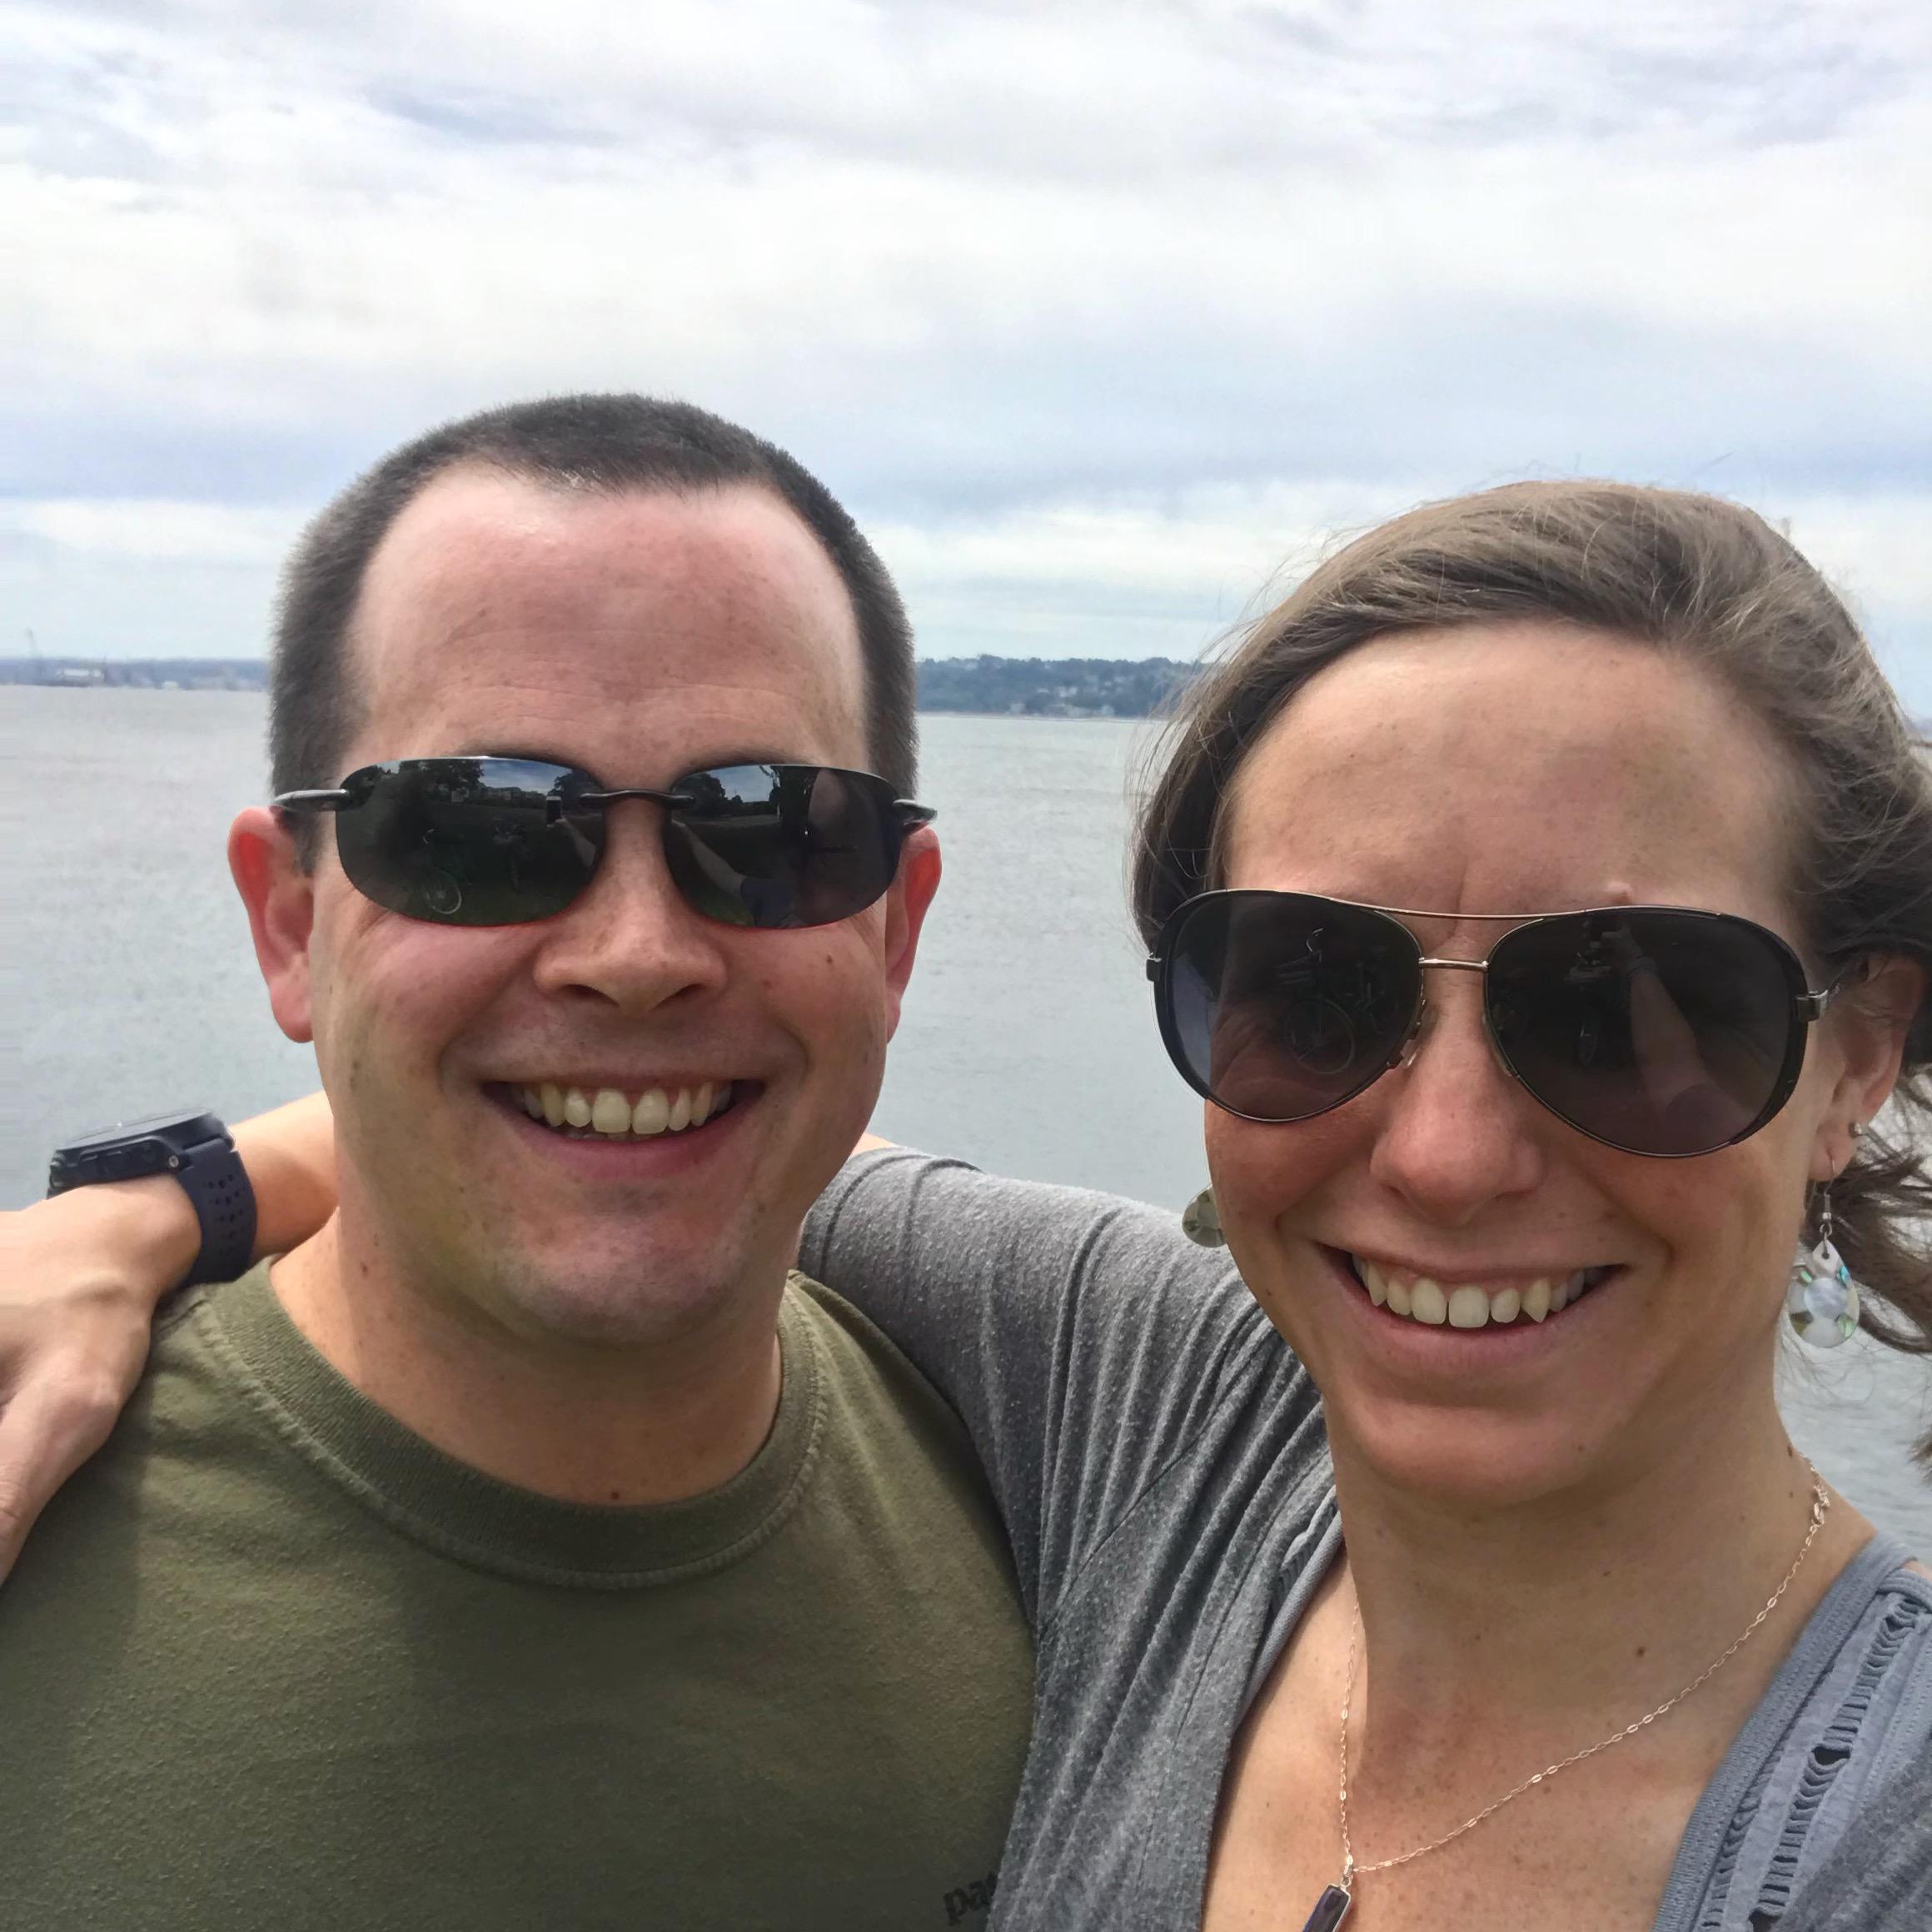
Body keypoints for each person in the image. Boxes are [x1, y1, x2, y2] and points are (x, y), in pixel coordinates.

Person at [8, 481, 1932, 1930]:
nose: (1438, 1149)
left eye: (1615, 1011)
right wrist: (141, 1213)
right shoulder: (1159, 1405)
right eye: (1307, 991)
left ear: (1856, 1048)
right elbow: (657, 1126)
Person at [0, 395, 1037, 1930]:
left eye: (766, 831)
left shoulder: (1046, 1471)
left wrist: (168, 1196)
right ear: (292, 923)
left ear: (894, 929)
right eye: (480, 829)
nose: (636, 956)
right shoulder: (34, 1514)